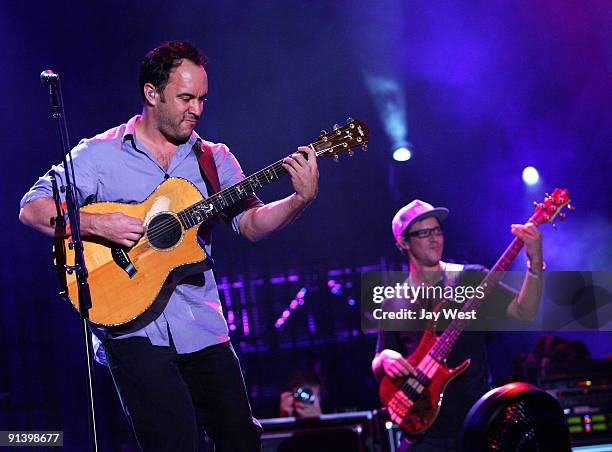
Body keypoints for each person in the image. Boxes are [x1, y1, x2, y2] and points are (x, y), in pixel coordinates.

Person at [19, 41, 319, 452]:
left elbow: (250, 223)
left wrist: (298, 200)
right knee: (174, 443)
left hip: (203, 326)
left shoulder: (214, 158)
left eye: (202, 99)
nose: (196, 108)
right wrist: (96, 222)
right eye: (185, 97)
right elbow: (33, 209)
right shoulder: (99, 154)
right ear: (152, 93)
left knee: (242, 440)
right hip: (131, 328)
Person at [371, 199, 544, 451]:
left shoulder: (471, 278)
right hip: (422, 430)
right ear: (404, 242)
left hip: (475, 425)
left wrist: (535, 263)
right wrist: (385, 358)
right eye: (424, 233)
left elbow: (525, 311)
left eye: (437, 230)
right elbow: (378, 360)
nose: (435, 238)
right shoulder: (393, 301)